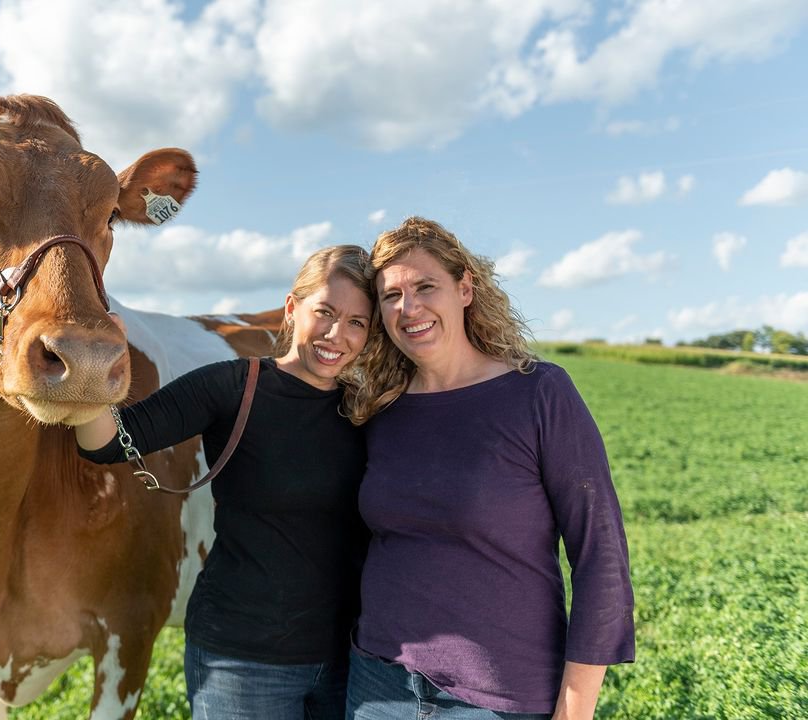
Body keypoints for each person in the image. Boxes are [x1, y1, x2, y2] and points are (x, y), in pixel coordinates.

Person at [345, 218, 635, 720]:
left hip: (500, 698)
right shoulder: (379, 409)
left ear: (464, 289)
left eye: (425, 286)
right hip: (377, 685)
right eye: (391, 296)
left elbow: (601, 556)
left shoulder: (538, 393)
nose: (408, 307)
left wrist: (575, 707)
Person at [75, 245, 374, 720]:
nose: (338, 334)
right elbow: (110, 442)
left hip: (349, 662)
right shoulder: (234, 386)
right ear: (293, 308)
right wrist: (91, 369)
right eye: (326, 312)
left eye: (357, 322)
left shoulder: (368, 411)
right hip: (242, 663)